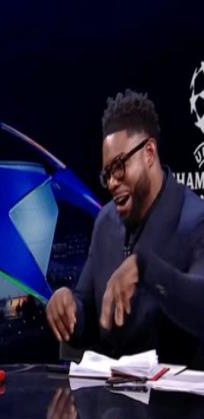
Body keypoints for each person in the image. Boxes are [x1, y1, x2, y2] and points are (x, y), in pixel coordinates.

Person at [46, 89, 204, 365]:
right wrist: (68, 306)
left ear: (149, 153)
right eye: (107, 173)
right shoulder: (105, 222)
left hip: (177, 392)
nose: (111, 182)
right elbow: (87, 308)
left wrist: (144, 268)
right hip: (110, 390)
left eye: (119, 166)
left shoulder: (195, 219)